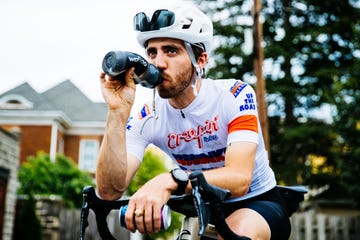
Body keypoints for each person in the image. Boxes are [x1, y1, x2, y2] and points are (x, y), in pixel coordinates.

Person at [96, 3, 290, 240]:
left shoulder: (235, 94)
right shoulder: (148, 115)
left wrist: (168, 181)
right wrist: (116, 111)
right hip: (205, 208)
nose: (158, 63)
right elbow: (109, 191)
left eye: (171, 51)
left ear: (201, 59)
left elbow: (239, 178)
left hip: (257, 203)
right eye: (152, 52)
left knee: (232, 233)